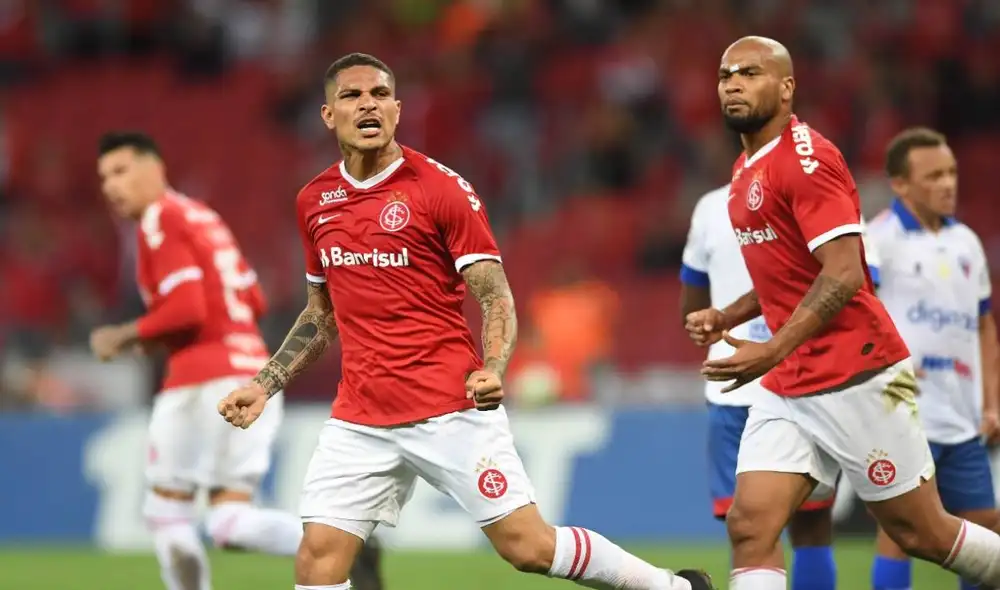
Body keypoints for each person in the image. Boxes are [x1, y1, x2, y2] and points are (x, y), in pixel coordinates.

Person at [216, 52, 715, 590]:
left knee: (528, 547)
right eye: (352, 96)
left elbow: (495, 296)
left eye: (379, 95)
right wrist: (266, 384)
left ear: (397, 109)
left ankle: (674, 588)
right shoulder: (315, 201)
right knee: (318, 560)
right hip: (360, 416)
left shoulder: (438, 189)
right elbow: (321, 313)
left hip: (447, 408)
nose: (367, 105)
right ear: (328, 115)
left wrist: (494, 366)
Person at [684, 36, 1000, 589]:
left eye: (750, 73)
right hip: (789, 383)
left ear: (786, 89)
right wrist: (729, 315)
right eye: (725, 73)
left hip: (857, 375)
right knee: (750, 524)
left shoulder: (807, 159)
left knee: (922, 532)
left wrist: (772, 348)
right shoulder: (743, 171)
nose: (733, 82)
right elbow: (786, 274)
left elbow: (845, 270)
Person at [90, 132, 384, 590]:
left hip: (198, 382)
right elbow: (255, 300)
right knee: (229, 521)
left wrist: (125, 336)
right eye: (104, 177)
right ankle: (345, 542)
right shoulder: (204, 217)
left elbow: (188, 309)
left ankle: (339, 543)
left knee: (167, 513)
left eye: (121, 171)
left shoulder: (159, 220)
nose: (111, 186)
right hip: (252, 374)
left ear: (155, 169)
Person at [681, 182, 882, 590]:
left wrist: (717, 320)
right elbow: (863, 278)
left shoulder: (711, 207)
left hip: (763, 385)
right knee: (798, 527)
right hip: (783, 382)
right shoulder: (825, 196)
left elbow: (692, 304)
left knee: (755, 530)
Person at [865, 127, 1000, 590]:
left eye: (952, 173)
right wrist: (886, 364)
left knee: (984, 524)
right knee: (900, 530)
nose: (948, 184)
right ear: (900, 184)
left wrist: (992, 402)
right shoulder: (877, 239)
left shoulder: (966, 243)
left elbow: (985, 325)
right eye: (934, 176)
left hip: (962, 412)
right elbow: (858, 311)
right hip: (903, 408)